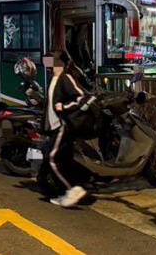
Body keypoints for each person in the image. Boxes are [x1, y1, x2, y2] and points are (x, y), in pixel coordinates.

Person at [45, 51, 88, 208]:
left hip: (62, 125)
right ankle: (66, 192)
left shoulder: (65, 77)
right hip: (55, 125)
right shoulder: (53, 78)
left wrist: (64, 106)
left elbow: (81, 97)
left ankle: (72, 189)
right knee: (63, 159)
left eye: (50, 60)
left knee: (52, 158)